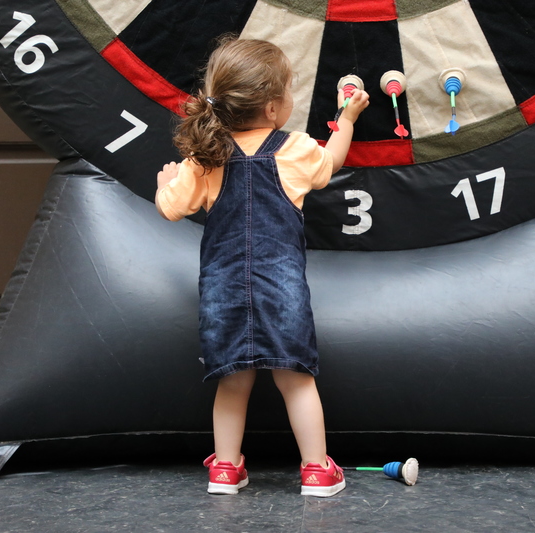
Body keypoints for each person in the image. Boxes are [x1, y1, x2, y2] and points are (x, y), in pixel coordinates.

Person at [154, 37, 369, 497]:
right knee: (296, 380)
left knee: (232, 382)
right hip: (282, 288)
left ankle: (226, 470)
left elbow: (171, 209)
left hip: (222, 290)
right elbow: (332, 161)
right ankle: (316, 470)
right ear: (273, 108)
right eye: (290, 90)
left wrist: (166, 182)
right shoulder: (294, 149)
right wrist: (346, 118)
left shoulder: (205, 157)